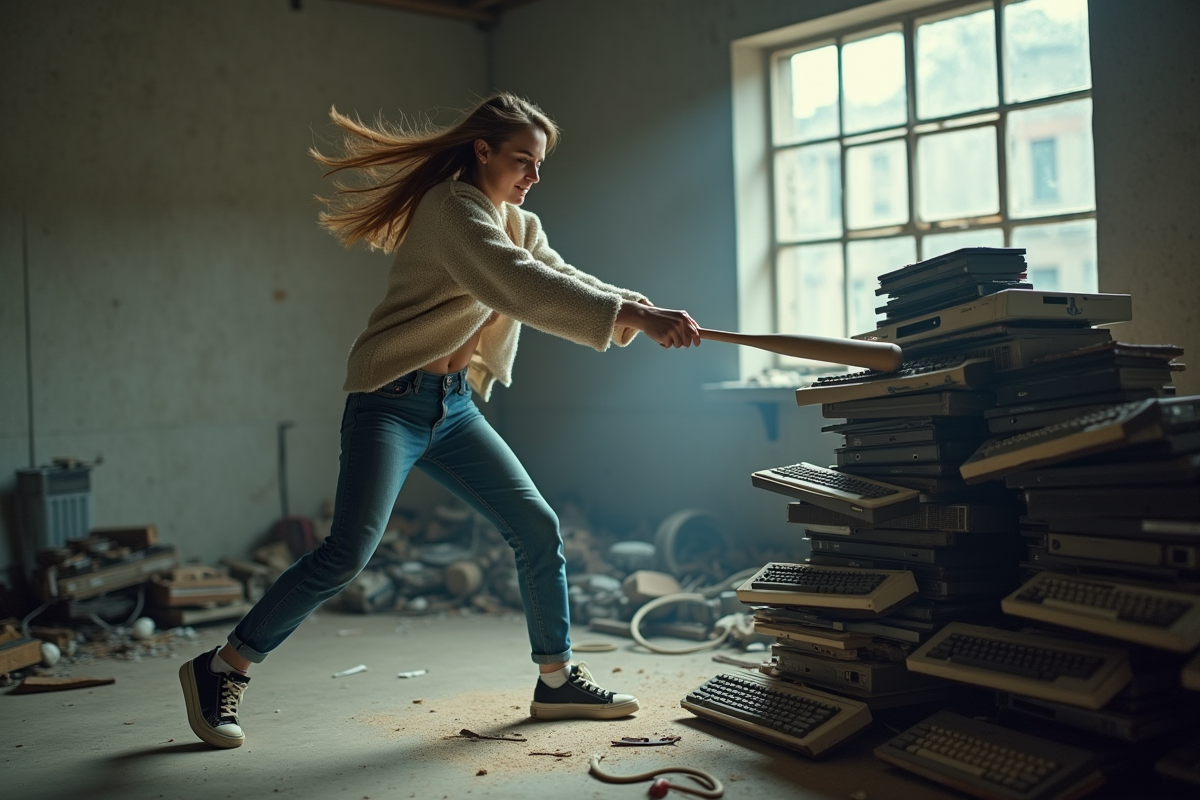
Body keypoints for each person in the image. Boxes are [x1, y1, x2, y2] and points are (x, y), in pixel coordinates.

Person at [178, 92, 702, 749]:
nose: (532, 176)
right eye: (521, 160)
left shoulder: (520, 222)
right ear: (481, 150)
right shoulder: (453, 209)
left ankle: (557, 680)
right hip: (390, 404)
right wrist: (638, 319)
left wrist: (643, 310)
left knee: (536, 526)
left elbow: (562, 274)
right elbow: (519, 284)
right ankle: (222, 668)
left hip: (453, 407)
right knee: (346, 554)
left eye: (539, 165)